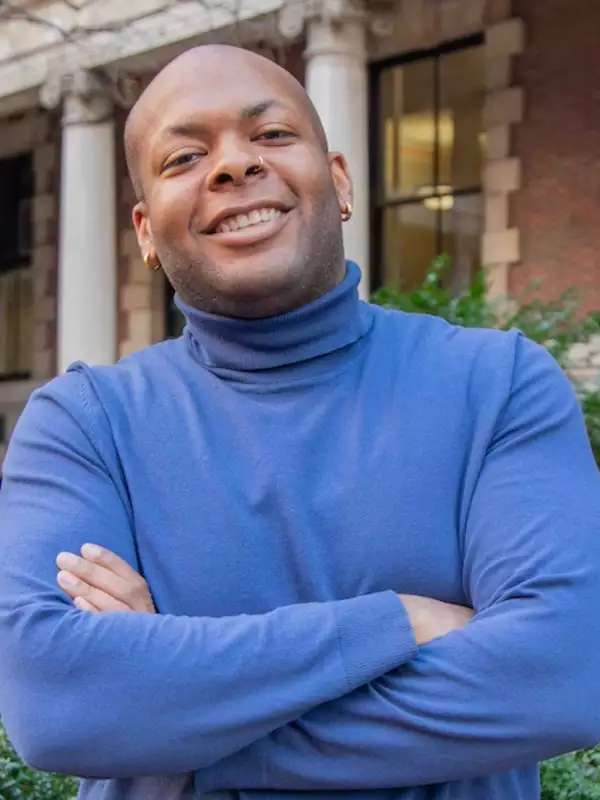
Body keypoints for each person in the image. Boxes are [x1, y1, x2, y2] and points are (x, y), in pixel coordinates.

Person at [0, 44, 599, 800]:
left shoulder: (497, 385)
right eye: (184, 156)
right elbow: (60, 707)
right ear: (146, 232)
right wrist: (396, 622)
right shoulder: (85, 425)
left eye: (273, 135)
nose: (233, 166)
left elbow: (563, 676)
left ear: (340, 181)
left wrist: (175, 721)